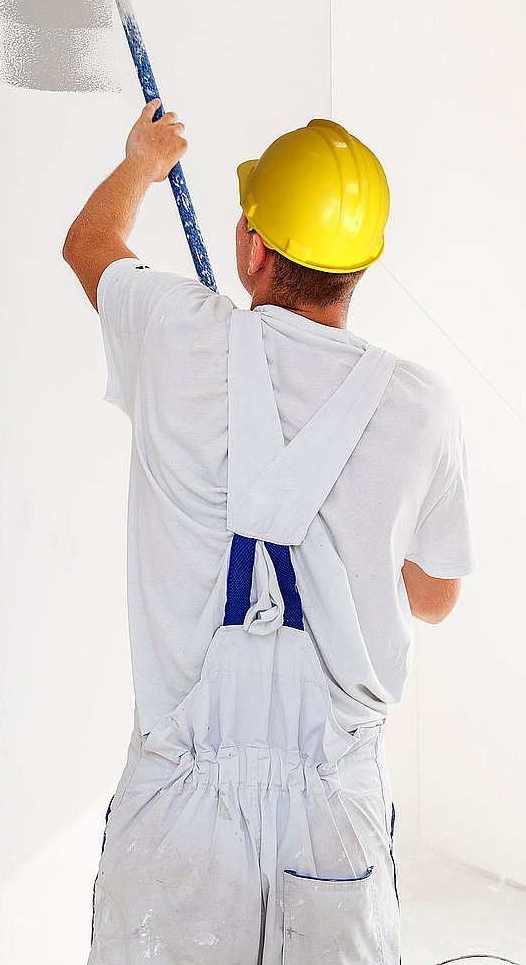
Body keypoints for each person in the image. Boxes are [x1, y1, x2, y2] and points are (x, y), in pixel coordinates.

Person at [63, 101, 474, 964]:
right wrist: (357, 540)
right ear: (362, 266)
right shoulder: (422, 407)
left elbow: (89, 246)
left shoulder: (175, 334)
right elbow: (434, 599)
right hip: (335, 816)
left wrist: (144, 160)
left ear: (251, 249)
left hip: (180, 811)